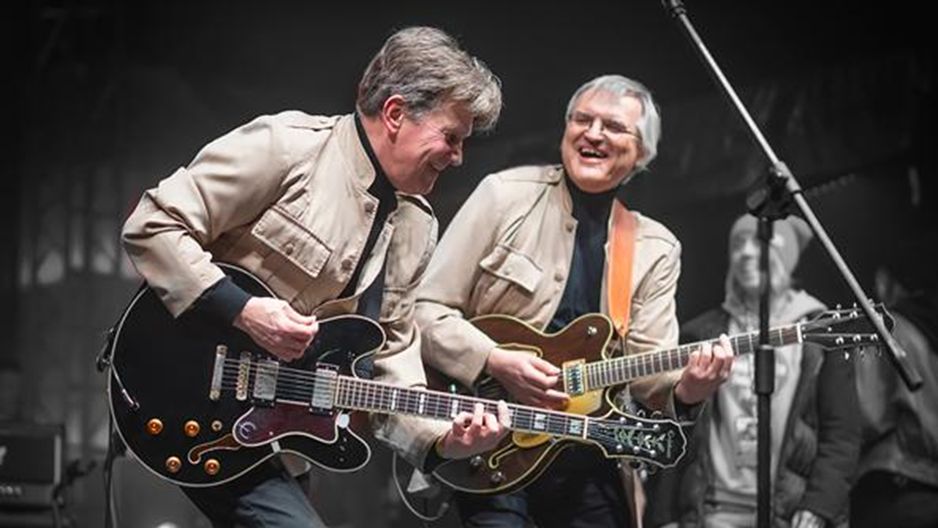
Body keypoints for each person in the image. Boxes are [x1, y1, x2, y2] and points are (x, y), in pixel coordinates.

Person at [121, 26, 511, 528]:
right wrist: (242, 309)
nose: (457, 156)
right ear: (395, 114)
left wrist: (442, 441)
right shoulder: (286, 147)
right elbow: (152, 224)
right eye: (451, 137)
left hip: (276, 439)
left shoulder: (417, 226)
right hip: (182, 386)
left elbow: (392, 354)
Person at [413, 74, 735, 528]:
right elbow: (424, 309)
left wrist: (688, 391)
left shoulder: (655, 248)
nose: (594, 133)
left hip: (589, 456)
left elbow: (651, 374)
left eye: (614, 126)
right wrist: (494, 361)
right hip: (492, 441)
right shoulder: (504, 195)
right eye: (582, 119)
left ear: (642, 152)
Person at [643, 214, 860, 528]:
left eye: (757, 242)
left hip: (787, 513)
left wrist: (819, 506)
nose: (744, 252)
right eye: (737, 244)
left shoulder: (820, 334)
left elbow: (842, 433)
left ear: (785, 255)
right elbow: (675, 425)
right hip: (710, 513)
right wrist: (665, 515)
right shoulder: (703, 333)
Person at [850, 262, 938, 528]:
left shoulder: (890, 327)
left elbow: (867, 415)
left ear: (885, 281)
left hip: (895, 483)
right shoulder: (929, 328)